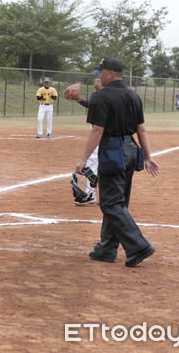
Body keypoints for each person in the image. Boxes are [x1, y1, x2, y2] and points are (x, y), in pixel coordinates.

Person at [75, 57, 160, 268]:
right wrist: (147, 156)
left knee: (110, 203)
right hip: (131, 150)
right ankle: (106, 248)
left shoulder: (101, 96)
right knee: (117, 202)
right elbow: (141, 130)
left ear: (110, 73)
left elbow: (97, 130)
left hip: (113, 150)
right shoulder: (133, 96)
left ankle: (138, 246)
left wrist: (83, 159)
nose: (99, 76)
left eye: (101, 72)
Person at [69, 78, 103, 205]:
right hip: (111, 138)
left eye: (99, 78)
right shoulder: (106, 95)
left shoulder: (101, 95)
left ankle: (90, 194)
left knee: (91, 161)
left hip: (102, 135)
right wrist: (79, 100)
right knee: (104, 163)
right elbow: (91, 104)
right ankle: (108, 195)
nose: (96, 80)